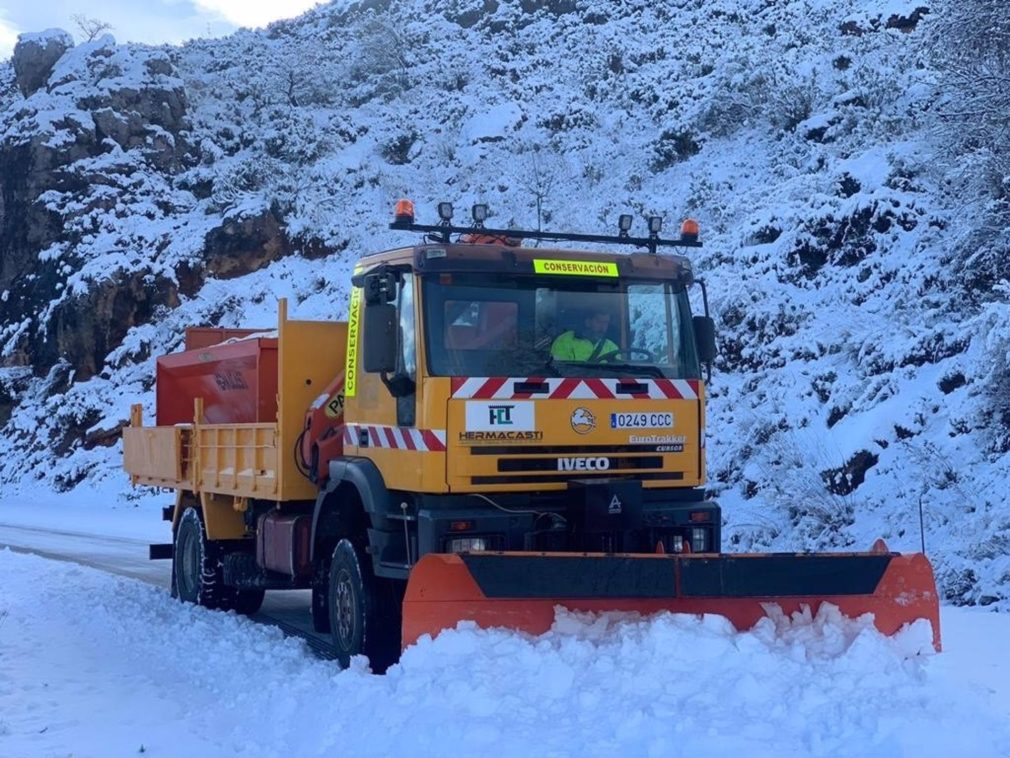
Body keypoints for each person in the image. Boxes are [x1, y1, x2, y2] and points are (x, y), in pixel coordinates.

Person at [550, 309, 620, 362]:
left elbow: (618, 372)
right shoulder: (564, 341)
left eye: (606, 323)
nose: (603, 328)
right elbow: (557, 368)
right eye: (599, 322)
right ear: (588, 322)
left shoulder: (612, 347)